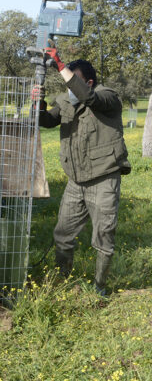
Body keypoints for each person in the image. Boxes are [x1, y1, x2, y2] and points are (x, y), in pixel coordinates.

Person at [35, 47, 131, 295]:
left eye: (73, 82)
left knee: (103, 239)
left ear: (87, 82)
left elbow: (90, 99)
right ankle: (61, 282)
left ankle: (100, 287)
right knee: (62, 235)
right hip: (75, 182)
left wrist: (59, 63)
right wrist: (39, 103)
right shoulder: (67, 101)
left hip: (103, 178)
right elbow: (46, 121)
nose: (69, 89)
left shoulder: (107, 97)